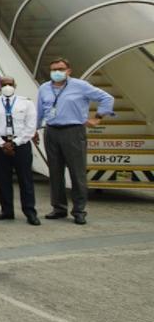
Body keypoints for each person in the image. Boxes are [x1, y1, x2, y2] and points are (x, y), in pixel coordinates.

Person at [37, 57, 114, 225]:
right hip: (51, 131)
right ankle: (59, 208)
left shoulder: (81, 86)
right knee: (55, 172)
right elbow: (40, 111)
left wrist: (98, 117)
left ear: (68, 71)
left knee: (77, 173)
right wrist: (34, 130)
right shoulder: (44, 88)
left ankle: (79, 211)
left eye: (60, 69)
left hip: (73, 131)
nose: (57, 72)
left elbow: (107, 98)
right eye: (54, 69)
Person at [0, 77, 39, 225]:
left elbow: (30, 127)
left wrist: (15, 143)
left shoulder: (26, 103)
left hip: (21, 143)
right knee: (3, 178)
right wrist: (2, 143)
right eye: (4, 84)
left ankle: (30, 212)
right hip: (0, 144)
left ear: (15, 85)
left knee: (25, 179)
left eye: (10, 84)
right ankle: (6, 210)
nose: (7, 87)